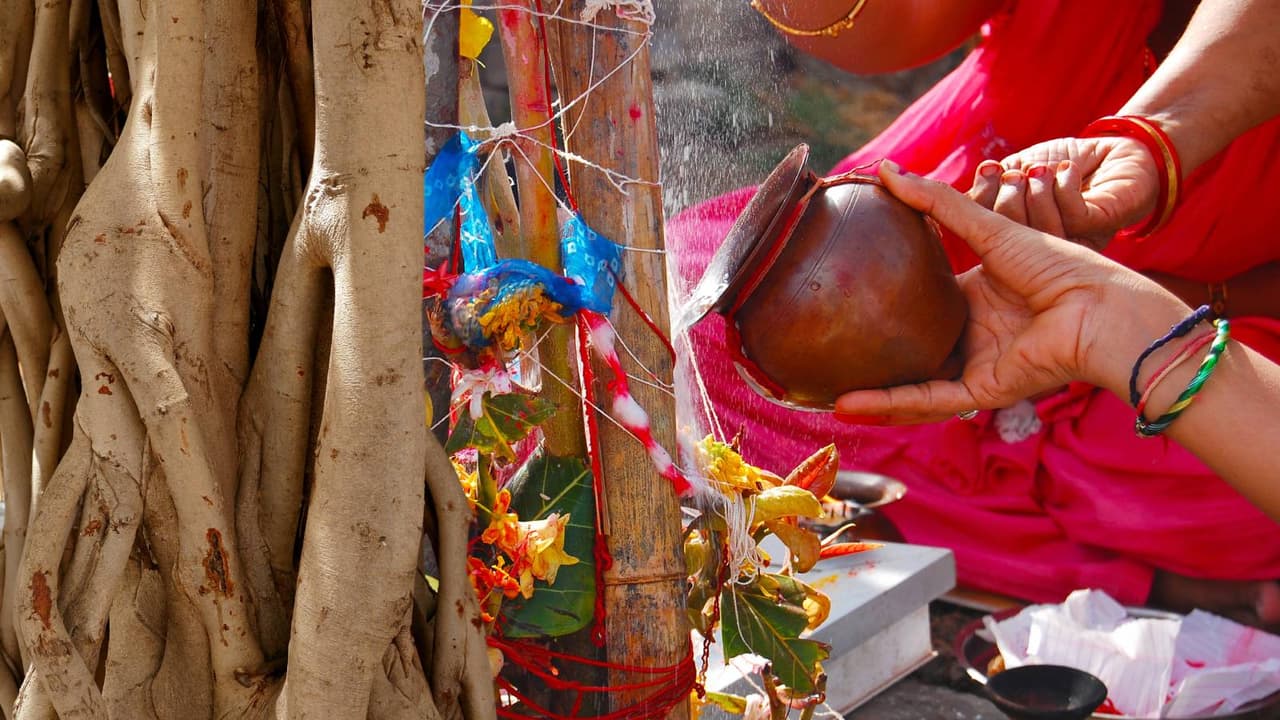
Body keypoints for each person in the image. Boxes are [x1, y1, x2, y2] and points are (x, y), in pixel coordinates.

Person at [666, 0, 1280, 625]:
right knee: (678, 320)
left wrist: (1149, 302)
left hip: (1191, 324)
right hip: (941, 248)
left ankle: (1101, 566)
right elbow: (886, 30)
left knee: (1210, 468)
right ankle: (1085, 560)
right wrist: (1142, 149)